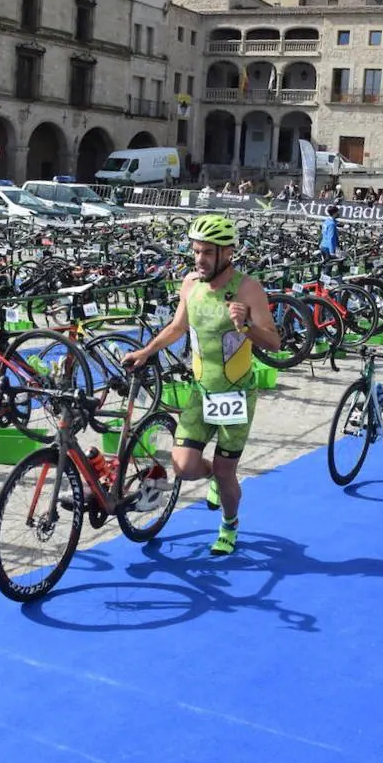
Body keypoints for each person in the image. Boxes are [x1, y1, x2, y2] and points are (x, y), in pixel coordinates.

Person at [122, 215, 281, 556]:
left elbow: (274, 342)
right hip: (201, 391)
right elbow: (178, 327)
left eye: (208, 252)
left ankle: (229, 524)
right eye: (196, 251)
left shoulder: (248, 288)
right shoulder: (190, 284)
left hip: (236, 394)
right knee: (184, 466)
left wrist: (246, 325)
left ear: (228, 253)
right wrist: (146, 352)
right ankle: (215, 478)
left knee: (227, 473)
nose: (199, 259)